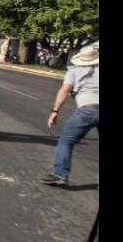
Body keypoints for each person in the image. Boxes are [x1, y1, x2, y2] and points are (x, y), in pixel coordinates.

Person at [40, 45, 99, 186]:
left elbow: (65, 90)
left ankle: (59, 174)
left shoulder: (74, 71)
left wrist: (55, 111)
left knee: (66, 141)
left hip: (87, 110)